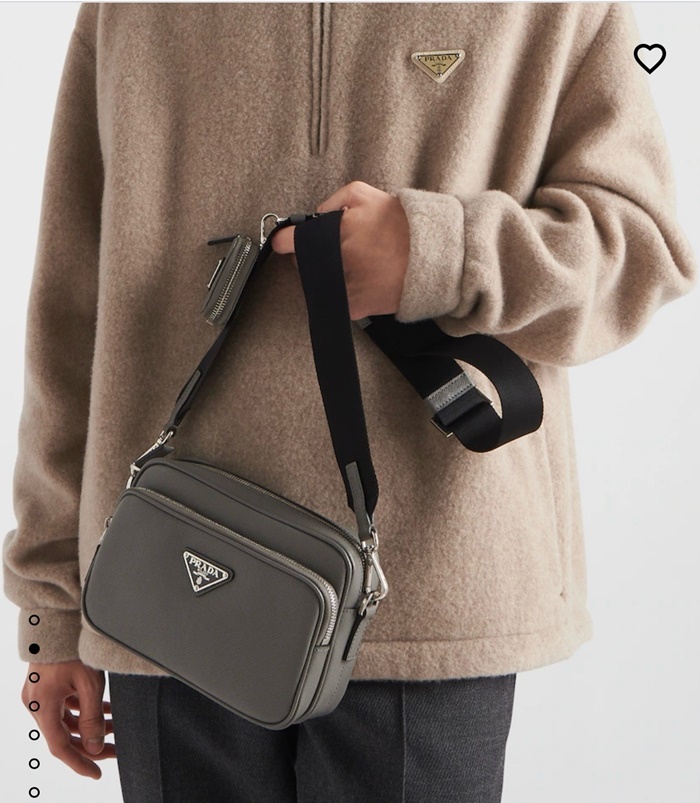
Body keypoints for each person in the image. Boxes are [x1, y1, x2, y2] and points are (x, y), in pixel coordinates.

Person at [4, 3, 696, 801]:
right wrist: (50, 612)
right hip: (167, 583)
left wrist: (438, 251)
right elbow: (69, 314)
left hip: (432, 593)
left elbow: (643, 247)